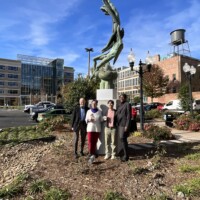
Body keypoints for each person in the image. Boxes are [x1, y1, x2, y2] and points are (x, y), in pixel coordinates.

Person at [85, 99, 103, 164]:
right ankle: (90, 153)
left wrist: (104, 118)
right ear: (91, 104)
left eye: (95, 103)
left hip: (97, 129)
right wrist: (90, 119)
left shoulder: (99, 112)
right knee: (90, 142)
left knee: (95, 142)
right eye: (93, 103)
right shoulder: (88, 111)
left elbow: (101, 120)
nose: (94, 104)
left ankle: (93, 153)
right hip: (90, 128)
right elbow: (86, 120)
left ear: (97, 104)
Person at [116, 94, 131, 162]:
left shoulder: (127, 104)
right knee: (122, 139)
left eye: (122, 97)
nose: (121, 98)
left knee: (123, 138)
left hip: (124, 125)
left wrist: (127, 126)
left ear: (125, 98)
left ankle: (126, 156)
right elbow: (117, 114)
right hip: (119, 124)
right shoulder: (119, 105)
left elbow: (128, 116)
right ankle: (125, 154)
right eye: (120, 97)